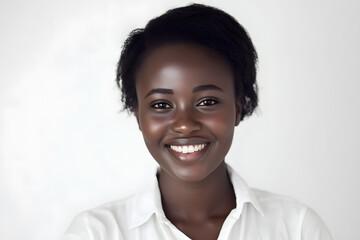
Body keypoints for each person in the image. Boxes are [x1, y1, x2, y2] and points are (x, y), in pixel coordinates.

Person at [62, 4, 332, 240]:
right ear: (138, 115)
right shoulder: (94, 234)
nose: (184, 124)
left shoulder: (297, 228)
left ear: (239, 106)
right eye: (160, 105)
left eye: (207, 102)